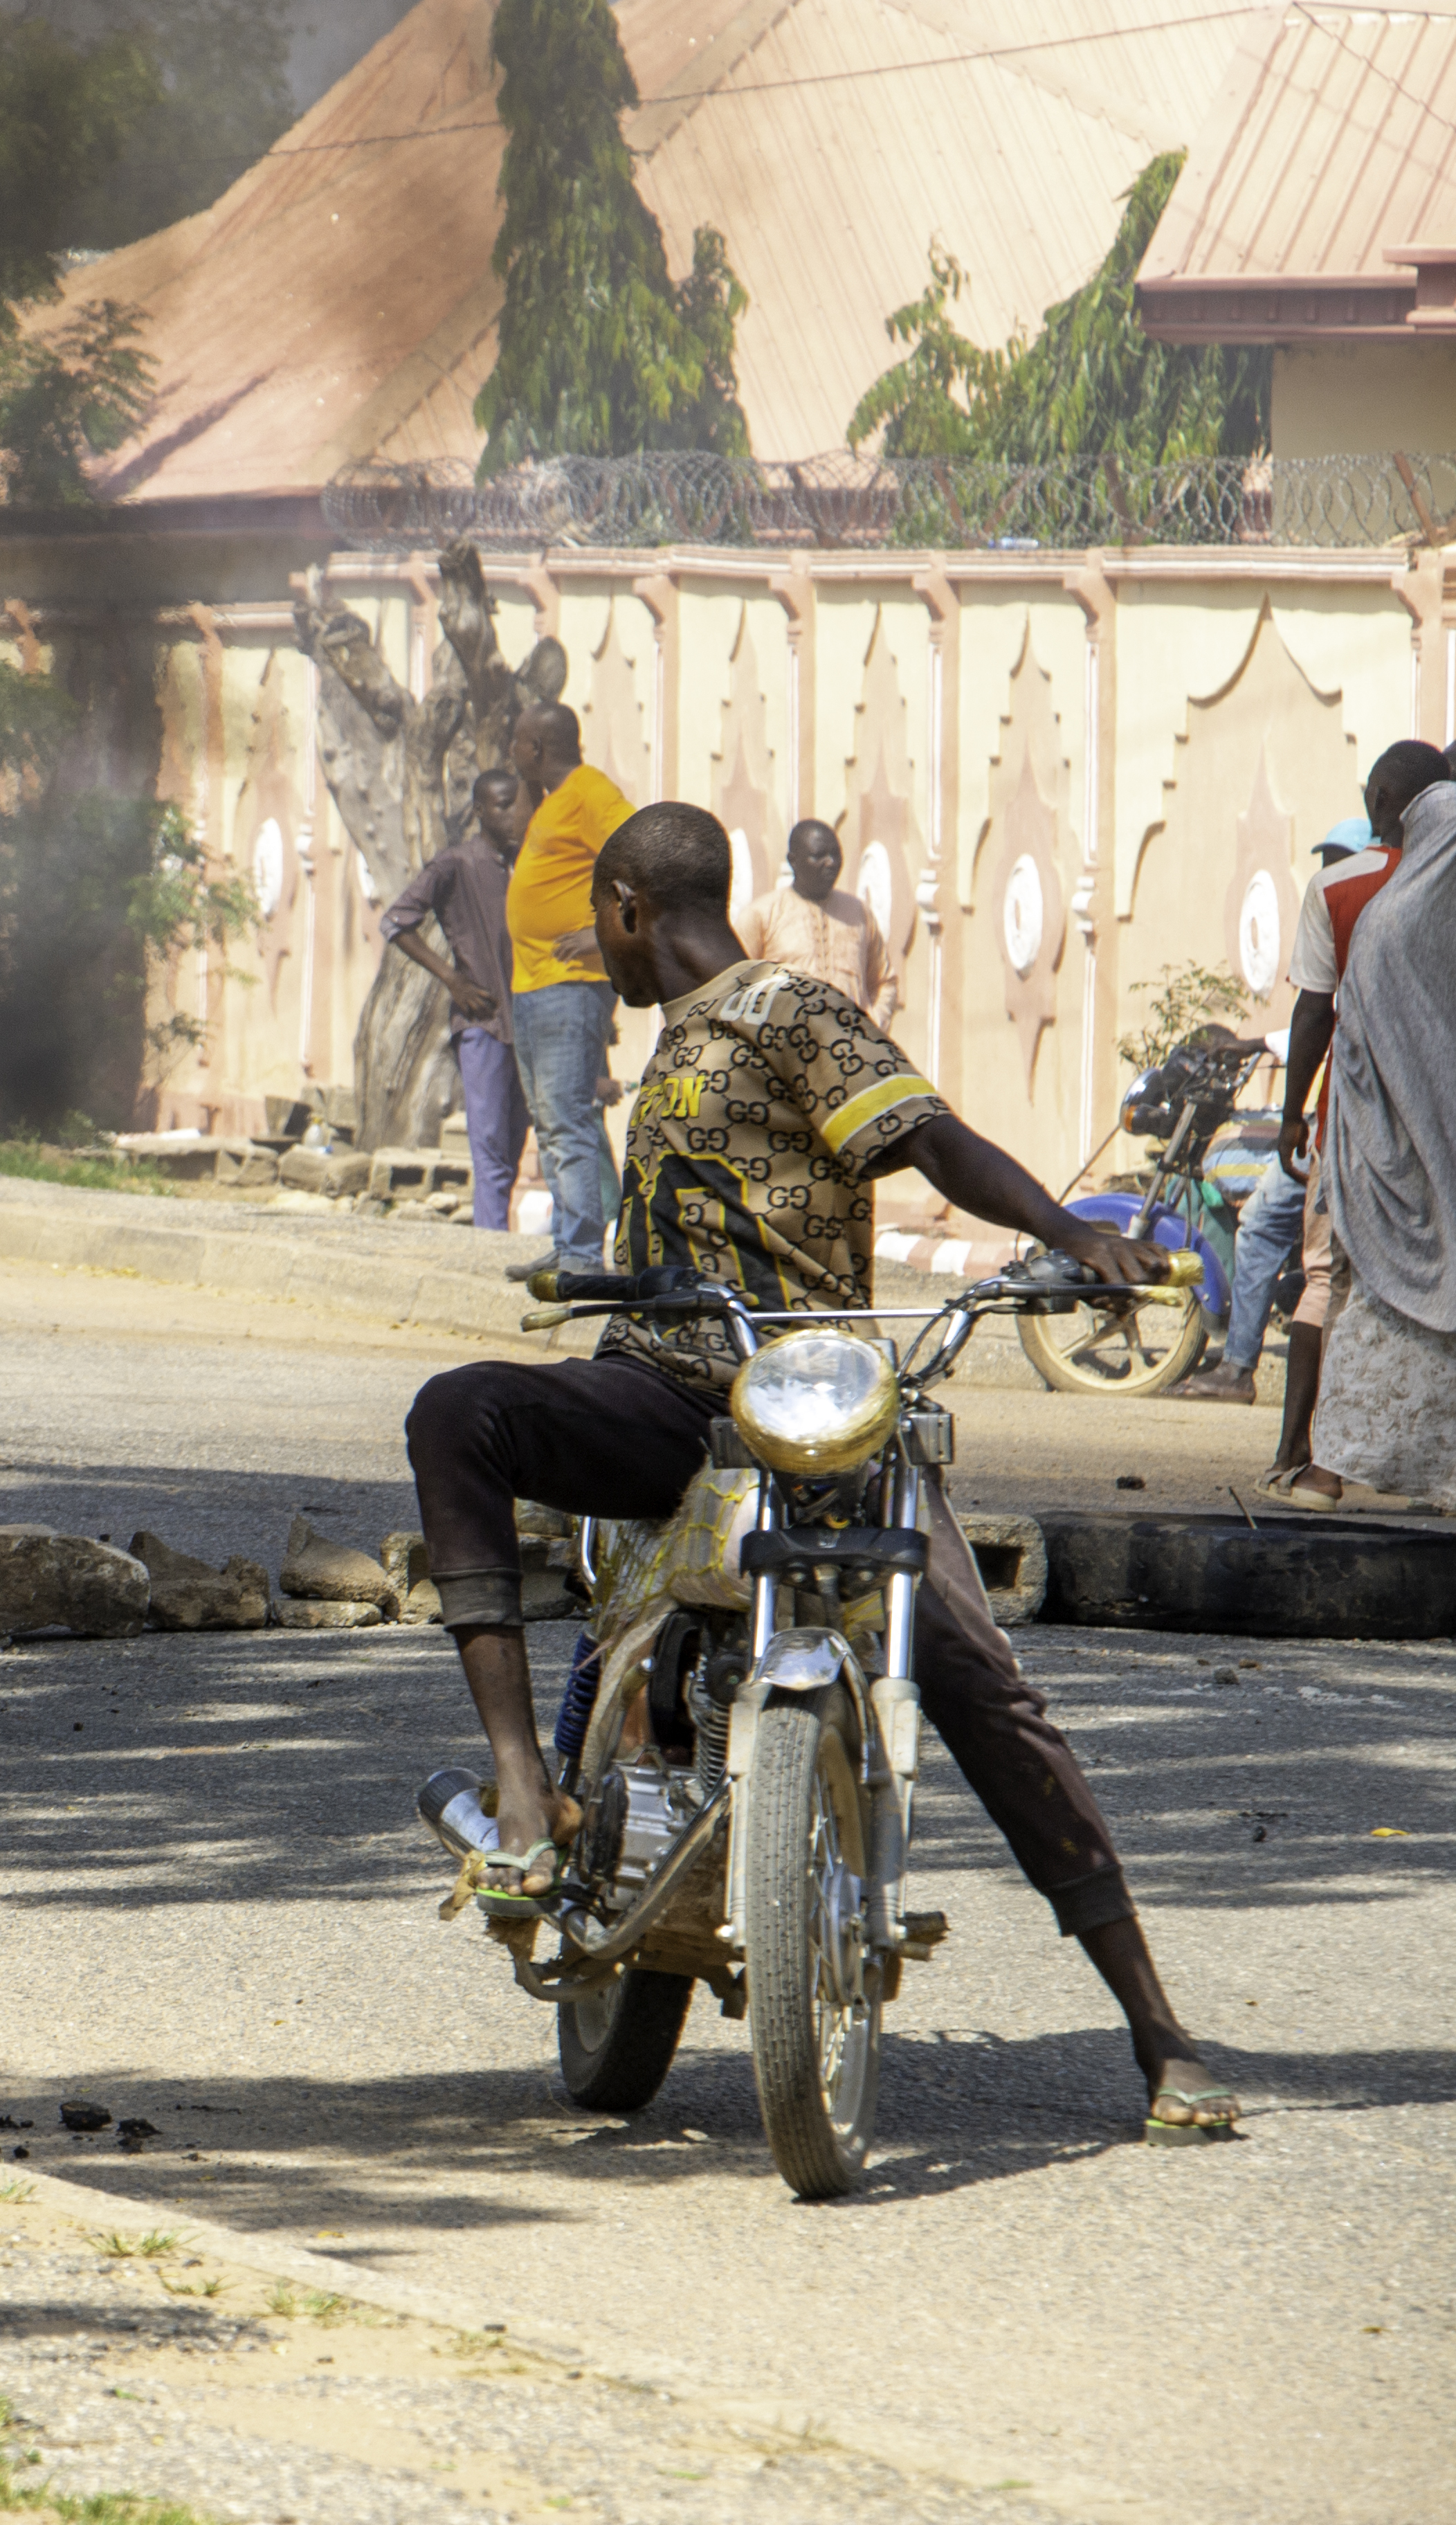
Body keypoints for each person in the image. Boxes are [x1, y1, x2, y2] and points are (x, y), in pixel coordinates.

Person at [403, 799, 1239, 2142]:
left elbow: (932, 1141)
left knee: (984, 1688)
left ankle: (1160, 2032)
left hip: (819, 1406)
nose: (602, 962)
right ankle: (525, 1787)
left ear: (626, 910)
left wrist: (1071, 1235)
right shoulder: (672, 1039)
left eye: (600, 934)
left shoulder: (787, 1008)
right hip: (663, 1392)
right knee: (459, 1416)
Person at [1258, 748, 1449, 1508]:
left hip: (1362, 1132)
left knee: (1331, 1285)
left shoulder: (1350, 889)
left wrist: (1291, 1114)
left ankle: (1309, 1461)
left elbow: (1314, 1009)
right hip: (1444, 1141)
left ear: (1380, 798)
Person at [1179, 818, 1370, 1405]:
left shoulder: (1358, 917)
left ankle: (1240, 1371)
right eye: (1327, 858)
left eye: (1340, 859)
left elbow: (1320, 1015)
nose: (1327, 870)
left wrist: (1275, 1077)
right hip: (1359, 1115)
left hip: (1338, 1119)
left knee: (1277, 1233)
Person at [498, 701, 630, 1278]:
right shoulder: (552, 802)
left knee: (568, 1118)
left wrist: (601, 936)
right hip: (535, 984)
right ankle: (568, 1241)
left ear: (537, 750)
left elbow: (638, 857)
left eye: (517, 745)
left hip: (570, 985)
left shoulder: (589, 790)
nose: (510, 755)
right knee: (552, 1120)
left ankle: (582, 1254)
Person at [381, 768, 529, 1233]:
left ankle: (502, 1240)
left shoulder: (530, 864)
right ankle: (489, 1246)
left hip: (530, 1028)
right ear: (480, 810)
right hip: (482, 1026)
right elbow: (398, 922)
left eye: (516, 803)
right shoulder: (456, 865)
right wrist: (452, 979)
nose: (510, 814)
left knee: (517, 1142)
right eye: (500, 805)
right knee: (489, 1148)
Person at [733, 817, 899, 1029]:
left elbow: (884, 982)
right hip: (787, 1052)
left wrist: (872, 1027)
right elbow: (736, 987)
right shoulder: (761, 915)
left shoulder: (858, 913)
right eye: (819, 856)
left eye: (836, 854)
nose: (831, 862)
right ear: (793, 861)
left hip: (851, 1051)